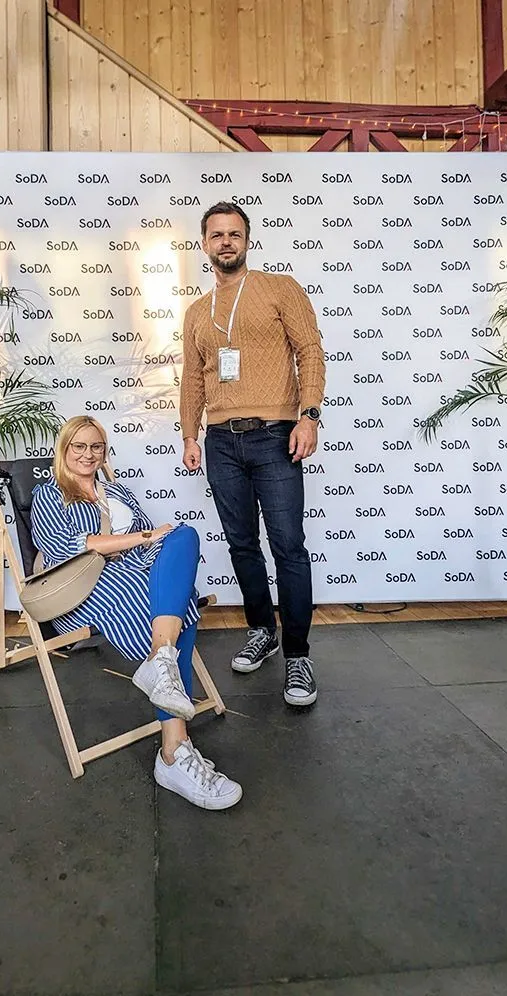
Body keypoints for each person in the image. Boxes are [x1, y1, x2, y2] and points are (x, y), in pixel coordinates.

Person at [30, 415, 242, 811]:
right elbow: (71, 548)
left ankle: (161, 664)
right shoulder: (50, 494)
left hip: (135, 568)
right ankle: (174, 753)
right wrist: (144, 537)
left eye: (96, 447)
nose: (88, 454)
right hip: (87, 585)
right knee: (164, 599)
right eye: (79, 446)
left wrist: (153, 541)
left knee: (183, 539)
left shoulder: (119, 491)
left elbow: (151, 541)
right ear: (64, 450)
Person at [180, 201, 326, 707]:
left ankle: (298, 655)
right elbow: (193, 377)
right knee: (242, 545)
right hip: (220, 442)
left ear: (247, 240)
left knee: (288, 546)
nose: (226, 242)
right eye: (217, 235)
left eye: (234, 234)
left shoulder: (280, 288)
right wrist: (189, 434)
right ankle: (262, 630)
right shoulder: (198, 312)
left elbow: (309, 349)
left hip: (276, 435)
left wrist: (309, 414)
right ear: (205, 244)